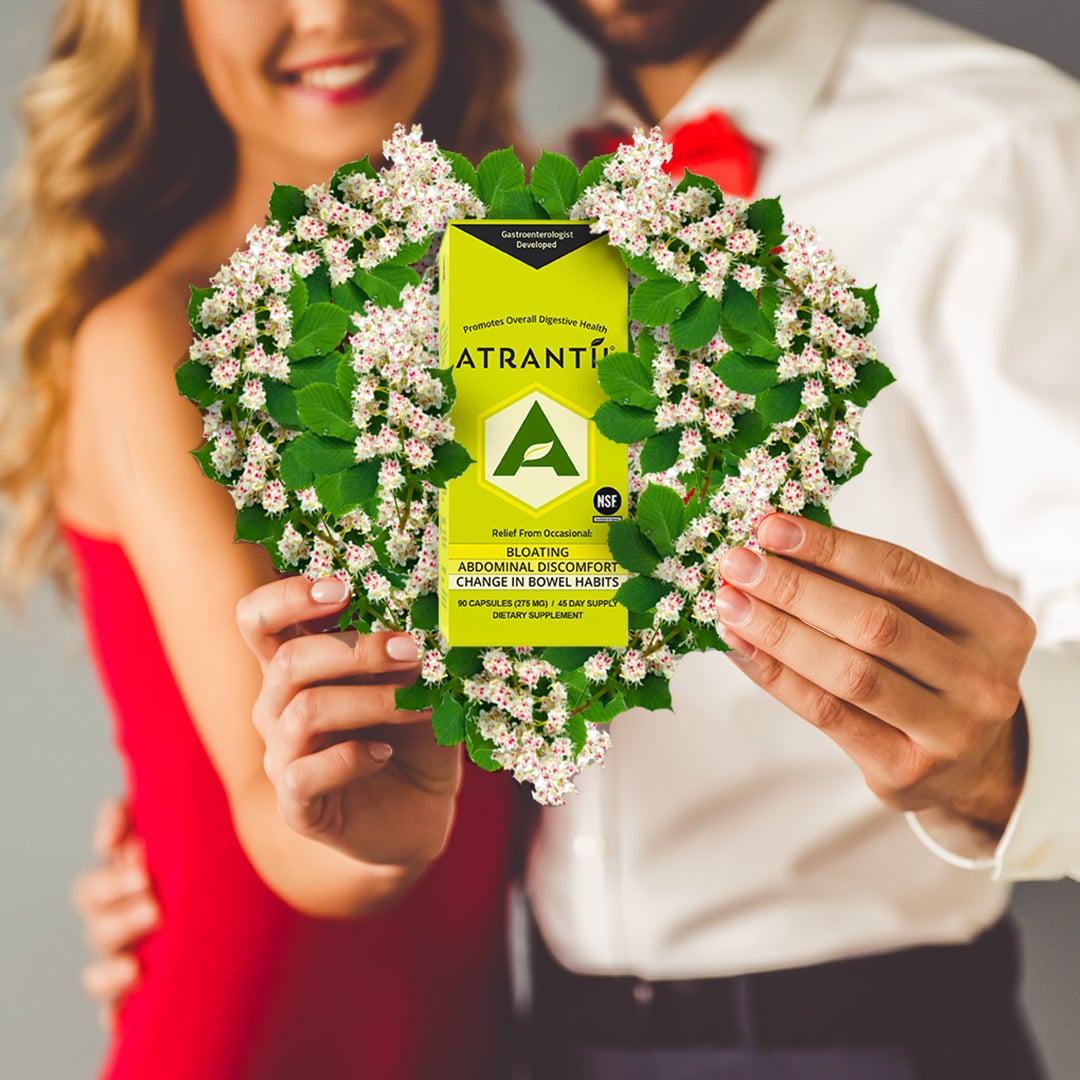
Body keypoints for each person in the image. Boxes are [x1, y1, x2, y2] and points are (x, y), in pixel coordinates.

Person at [74, 0, 1080, 1077]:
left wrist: (1004, 767)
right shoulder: (515, 230)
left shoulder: (995, 147)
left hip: (863, 1033)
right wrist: (205, 845)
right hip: (537, 1033)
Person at [0, 1, 524, 1077]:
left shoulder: (529, 300)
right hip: (244, 1039)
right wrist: (372, 840)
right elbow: (278, 811)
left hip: (477, 1038)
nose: (330, 12)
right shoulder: (156, 340)